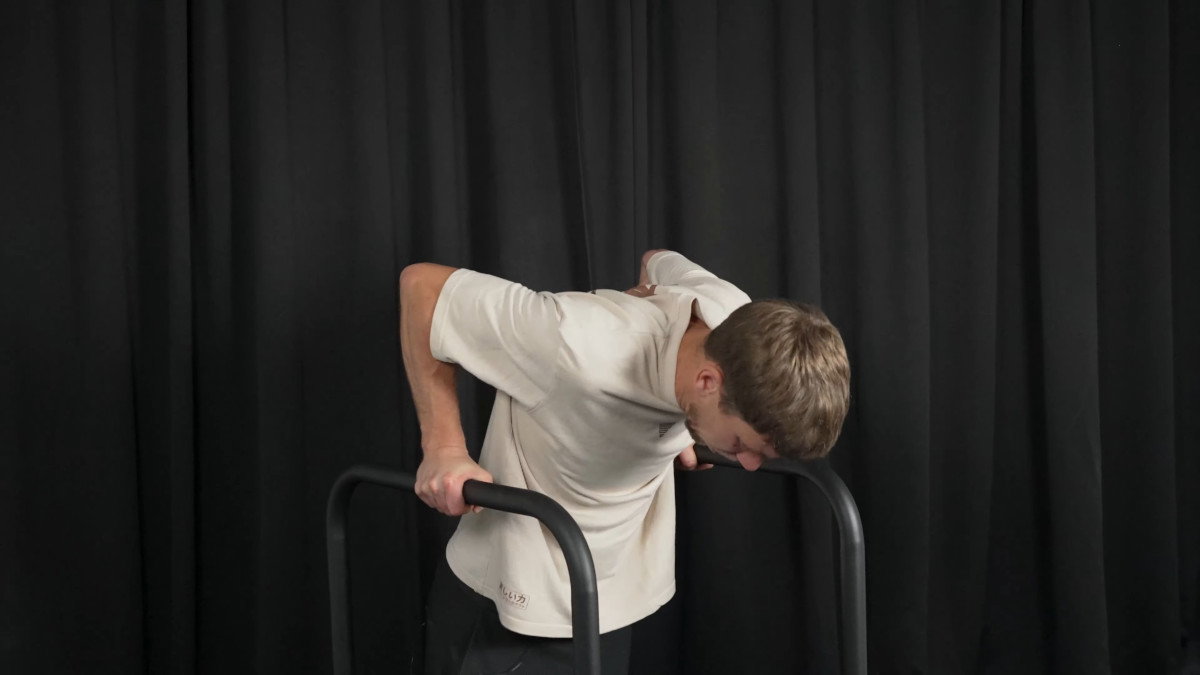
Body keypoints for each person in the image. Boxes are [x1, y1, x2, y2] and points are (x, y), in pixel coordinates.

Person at [398, 249, 850, 674]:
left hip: (605, 599)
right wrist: (444, 448)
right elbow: (424, 288)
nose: (749, 465)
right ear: (708, 381)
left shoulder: (731, 312)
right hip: (510, 606)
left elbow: (657, 260)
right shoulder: (576, 342)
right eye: (743, 442)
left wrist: (686, 429)